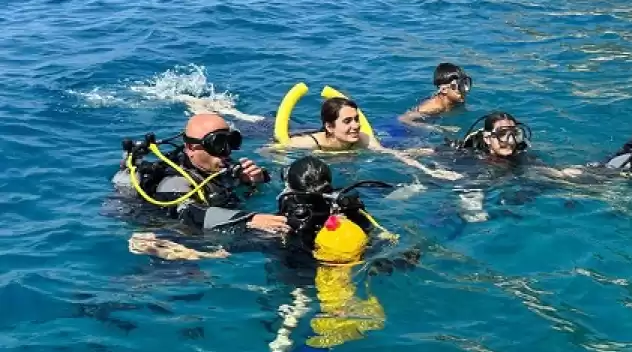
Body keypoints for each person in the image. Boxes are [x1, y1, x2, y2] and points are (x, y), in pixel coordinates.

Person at [113, 114, 289, 247]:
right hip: (172, 235)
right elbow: (190, 214)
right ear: (191, 148)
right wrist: (249, 220)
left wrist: (258, 180)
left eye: (230, 142)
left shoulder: (221, 166)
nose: (226, 152)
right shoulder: (174, 182)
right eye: (218, 144)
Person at [265, 97, 462, 181]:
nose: (356, 126)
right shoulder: (307, 144)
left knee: (413, 149)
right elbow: (268, 150)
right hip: (295, 131)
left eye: (357, 119)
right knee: (258, 125)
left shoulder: (362, 139)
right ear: (329, 126)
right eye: (348, 121)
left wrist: (431, 171)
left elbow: (393, 155)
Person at [399, 62, 472, 127]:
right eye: (460, 86)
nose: (465, 90)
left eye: (465, 83)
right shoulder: (434, 107)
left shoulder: (458, 100)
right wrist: (438, 128)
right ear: (444, 89)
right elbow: (403, 119)